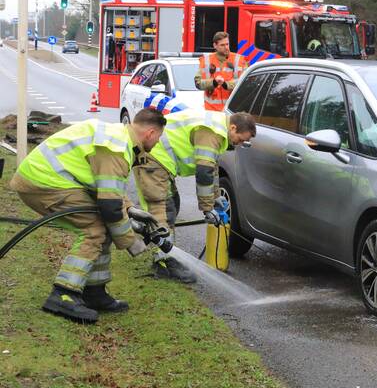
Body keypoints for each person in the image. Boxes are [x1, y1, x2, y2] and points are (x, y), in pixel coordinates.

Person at [9, 109, 167, 323]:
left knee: (102, 226)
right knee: (94, 229)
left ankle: (94, 292)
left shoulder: (118, 139)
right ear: (150, 133)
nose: (158, 142)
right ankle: (63, 294)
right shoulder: (116, 149)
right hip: (42, 182)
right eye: (159, 137)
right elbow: (110, 209)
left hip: (49, 179)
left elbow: (106, 188)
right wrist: (133, 243)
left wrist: (130, 209)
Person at [134, 110, 257, 282]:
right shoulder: (212, 132)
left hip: (160, 160)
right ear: (233, 128)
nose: (239, 144)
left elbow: (212, 167)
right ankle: (164, 262)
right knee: (164, 209)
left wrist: (215, 197)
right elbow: (204, 171)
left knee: (172, 204)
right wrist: (207, 208)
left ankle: (159, 247)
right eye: (241, 139)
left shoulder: (218, 130)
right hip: (153, 157)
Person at [194, 31, 247, 111]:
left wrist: (226, 84)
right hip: (211, 110)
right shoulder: (206, 60)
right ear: (215, 45)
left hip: (231, 110)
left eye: (227, 44)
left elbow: (245, 82)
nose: (226, 47)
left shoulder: (239, 60)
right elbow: (198, 83)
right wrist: (214, 82)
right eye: (222, 45)